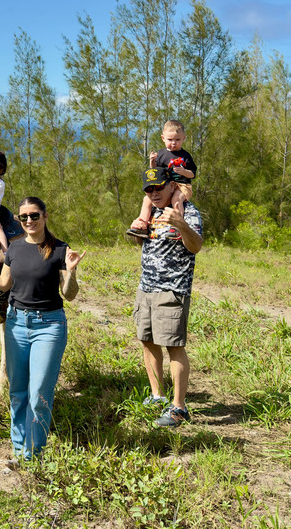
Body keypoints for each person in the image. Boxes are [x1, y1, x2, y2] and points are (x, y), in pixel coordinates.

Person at [0, 197, 84, 461]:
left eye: (34, 215)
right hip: (16, 323)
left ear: (45, 216)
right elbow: (4, 283)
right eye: (23, 217)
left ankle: (33, 454)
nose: (29, 221)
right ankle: (19, 449)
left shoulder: (60, 249)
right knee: (17, 391)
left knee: (39, 392)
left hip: (49, 326)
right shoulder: (14, 250)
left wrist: (71, 272)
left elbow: (69, 295)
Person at [131, 166, 203, 428]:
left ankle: (179, 408)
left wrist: (181, 224)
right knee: (147, 341)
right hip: (146, 288)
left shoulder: (187, 212)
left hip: (172, 290)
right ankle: (158, 395)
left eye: (158, 187)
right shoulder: (152, 212)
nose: (153, 193)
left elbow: (196, 246)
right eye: (149, 189)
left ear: (172, 186)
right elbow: (145, 244)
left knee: (174, 347)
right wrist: (138, 228)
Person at [128, 119, 197, 238]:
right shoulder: (161, 154)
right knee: (146, 199)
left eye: (177, 140)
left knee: (176, 198)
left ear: (184, 138)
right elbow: (155, 173)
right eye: (170, 140)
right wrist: (152, 162)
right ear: (163, 138)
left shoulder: (186, 156)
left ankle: (176, 226)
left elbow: (193, 174)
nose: (174, 143)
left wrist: (184, 172)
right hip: (165, 185)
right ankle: (143, 223)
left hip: (182, 185)